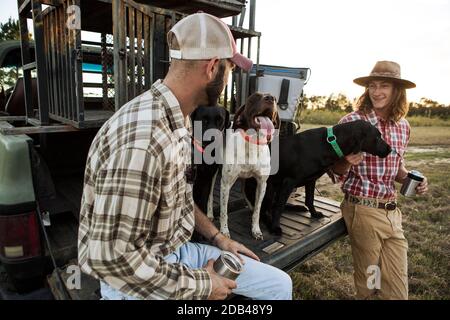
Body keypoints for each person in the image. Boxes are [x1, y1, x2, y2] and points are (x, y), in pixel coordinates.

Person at [77, 12, 292, 300]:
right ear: (213, 67)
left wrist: (219, 238)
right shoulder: (143, 141)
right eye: (229, 69)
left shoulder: (180, 117)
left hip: (175, 252)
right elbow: (111, 260)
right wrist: (204, 285)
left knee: (279, 286)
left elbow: (179, 199)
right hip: (132, 278)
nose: (228, 78)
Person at [331, 61, 429, 300]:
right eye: (372, 86)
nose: (376, 92)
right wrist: (347, 161)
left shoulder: (403, 126)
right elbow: (334, 171)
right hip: (363, 211)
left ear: (397, 90)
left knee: (397, 291)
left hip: (392, 214)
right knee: (370, 286)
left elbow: (397, 168)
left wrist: (414, 179)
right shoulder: (351, 123)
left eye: (384, 86)